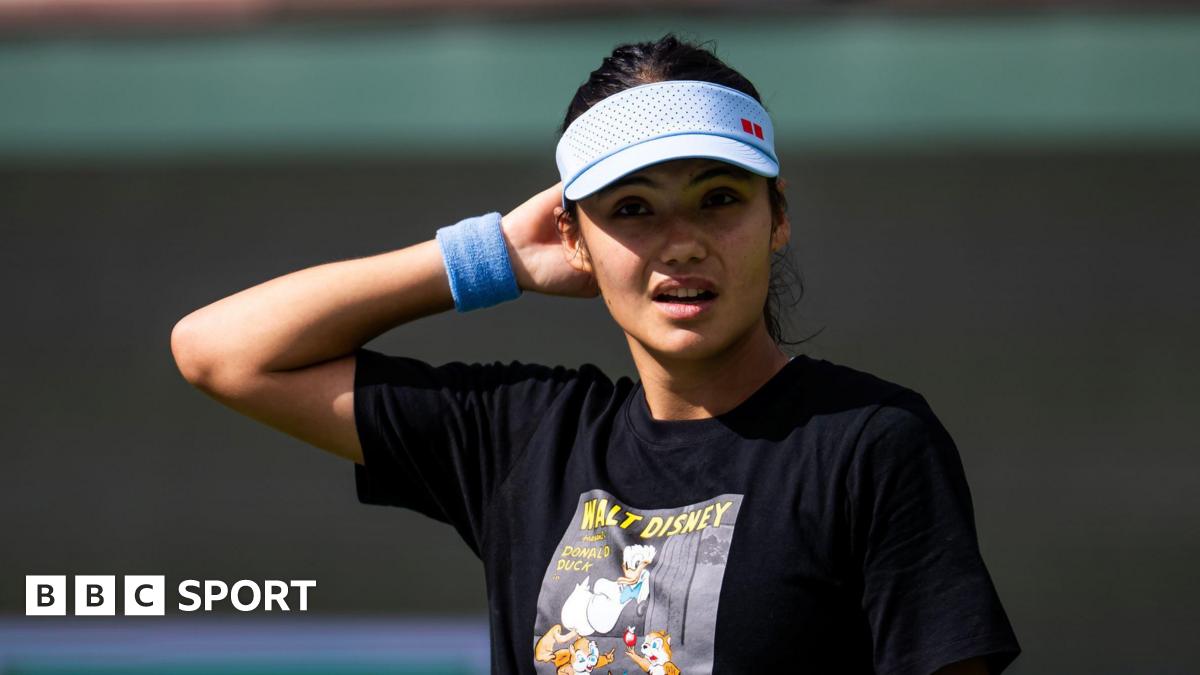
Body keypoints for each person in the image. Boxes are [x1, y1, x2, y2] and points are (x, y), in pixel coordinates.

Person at [172, 34, 1021, 675]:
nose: (682, 244)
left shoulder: (869, 442)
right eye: (634, 209)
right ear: (571, 237)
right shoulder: (525, 439)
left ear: (779, 217)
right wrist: (492, 254)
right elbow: (222, 352)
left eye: (718, 199)